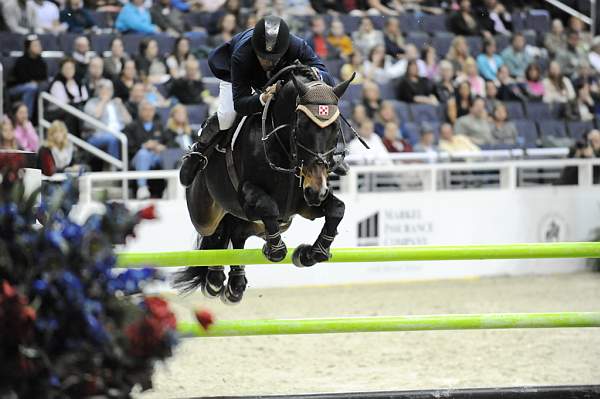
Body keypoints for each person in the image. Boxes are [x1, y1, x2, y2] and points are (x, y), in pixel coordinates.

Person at [179, 15, 337, 187]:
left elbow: (327, 77)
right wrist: (262, 98)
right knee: (227, 117)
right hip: (241, 77)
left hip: (279, 82)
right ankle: (198, 150)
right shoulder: (242, 54)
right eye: (263, 57)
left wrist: (317, 74)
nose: (267, 62)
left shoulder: (297, 45)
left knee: (311, 109)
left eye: (273, 58)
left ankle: (328, 154)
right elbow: (240, 104)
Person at [124, 101, 167, 199]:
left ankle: (171, 187)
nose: (148, 113)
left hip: (157, 156)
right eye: (145, 110)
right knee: (143, 154)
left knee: (168, 155)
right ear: (140, 112)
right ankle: (142, 187)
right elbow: (129, 146)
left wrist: (162, 147)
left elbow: (169, 142)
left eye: (151, 110)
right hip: (138, 157)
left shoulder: (159, 125)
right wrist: (144, 146)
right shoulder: (132, 126)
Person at [83, 79, 132, 162]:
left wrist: (121, 106)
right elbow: (96, 115)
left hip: (119, 132)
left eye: (108, 89)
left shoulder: (115, 103)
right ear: (98, 91)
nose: (106, 92)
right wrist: (103, 101)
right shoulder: (92, 102)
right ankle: (114, 168)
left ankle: (127, 169)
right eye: (103, 89)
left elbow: (129, 120)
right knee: (112, 138)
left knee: (130, 137)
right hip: (97, 135)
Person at [8, 35, 48, 118]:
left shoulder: (42, 62)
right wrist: (34, 82)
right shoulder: (21, 61)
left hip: (35, 86)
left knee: (40, 87)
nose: (39, 47)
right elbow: (22, 78)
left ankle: (40, 117)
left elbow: (44, 77)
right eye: (35, 45)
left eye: (39, 45)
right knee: (32, 87)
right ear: (28, 48)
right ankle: (26, 117)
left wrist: (35, 82)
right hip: (16, 88)